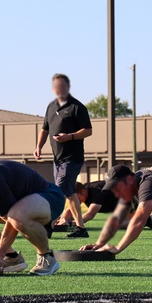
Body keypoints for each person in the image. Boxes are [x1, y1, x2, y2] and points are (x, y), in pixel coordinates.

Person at [33, 73, 93, 239]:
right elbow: (44, 128)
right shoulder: (51, 106)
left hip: (72, 157)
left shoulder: (77, 107)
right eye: (56, 86)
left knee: (59, 189)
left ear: (68, 87)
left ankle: (49, 225)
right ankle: (80, 228)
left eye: (62, 86)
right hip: (57, 158)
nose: (59, 89)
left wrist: (70, 136)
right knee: (68, 192)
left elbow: (88, 130)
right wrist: (38, 146)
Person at [54, 180, 152, 230]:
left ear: (83, 192)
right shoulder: (82, 190)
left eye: (75, 197)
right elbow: (71, 209)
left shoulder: (96, 192)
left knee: (124, 225)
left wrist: (73, 223)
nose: (74, 200)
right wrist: (63, 219)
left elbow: (90, 214)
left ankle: (151, 218)